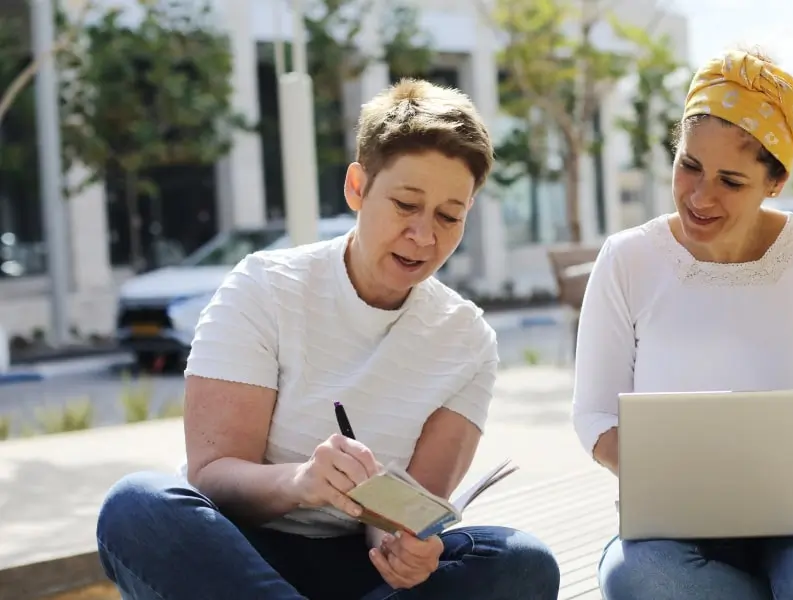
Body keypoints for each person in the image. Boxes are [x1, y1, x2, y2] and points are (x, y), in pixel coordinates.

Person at [95, 79, 561, 600]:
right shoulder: (264, 286)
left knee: (520, 562)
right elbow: (212, 477)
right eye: (406, 204)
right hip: (238, 555)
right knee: (136, 504)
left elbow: (407, 514)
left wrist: (405, 546)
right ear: (358, 187)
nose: (425, 236)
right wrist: (301, 482)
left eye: (449, 217)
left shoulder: (466, 339)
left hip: (358, 572)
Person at [571, 49, 793, 599]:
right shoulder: (627, 259)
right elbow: (595, 413)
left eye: (731, 180)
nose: (700, 196)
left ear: (774, 182)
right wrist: (679, 480)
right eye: (690, 166)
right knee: (637, 578)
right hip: (678, 531)